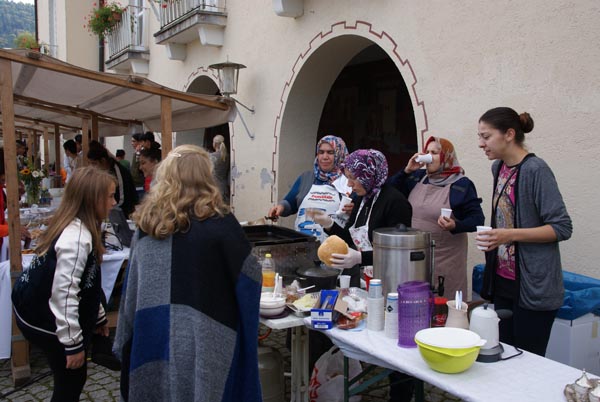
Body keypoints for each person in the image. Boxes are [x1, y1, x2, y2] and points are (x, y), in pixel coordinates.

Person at [114, 145, 262, 402]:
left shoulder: (146, 226)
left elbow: (132, 290)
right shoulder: (221, 223)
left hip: (153, 331)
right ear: (206, 176)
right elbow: (250, 276)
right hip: (206, 334)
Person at [313, 149, 414, 402]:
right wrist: (329, 225)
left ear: (369, 175)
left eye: (353, 178)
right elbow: (351, 238)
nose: (348, 183)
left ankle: (400, 394)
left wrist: (360, 258)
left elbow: (399, 251)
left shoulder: (396, 202)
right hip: (368, 281)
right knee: (372, 335)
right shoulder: (363, 199)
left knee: (394, 344)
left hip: (393, 281)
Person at [11, 167, 116, 402]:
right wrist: (73, 345)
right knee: (71, 381)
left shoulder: (79, 227)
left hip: (38, 311)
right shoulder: (76, 237)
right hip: (41, 317)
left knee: (72, 379)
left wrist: (97, 318)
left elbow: (88, 284)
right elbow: (65, 293)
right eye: (110, 196)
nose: (114, 202)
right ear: (92, 199)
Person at [476, 107, 572, 356]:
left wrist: (508, 235)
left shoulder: (535, 169)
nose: (480, 144)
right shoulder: (498, 168)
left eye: (486, 137)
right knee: (503, 355)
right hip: (503, 282)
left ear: (509, 134)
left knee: (529, 362)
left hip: (534, 287)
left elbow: (561, 227)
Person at [388, 136, 485, 297]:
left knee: (443, 305)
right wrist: (406, 171)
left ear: (446, 157)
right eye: (427, 152)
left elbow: (477, 219)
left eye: (434, 152)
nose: (429, 156)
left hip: (446, 259)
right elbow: (389, 192)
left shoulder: (461, 184)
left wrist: (455, 225)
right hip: (415, 257)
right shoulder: (417, 177)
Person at [267, 135, 352, 242]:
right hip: (303, 247)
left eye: (330, 153)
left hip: (335, 249)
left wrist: (352, 210)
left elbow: (357, 216)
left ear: (340, 154)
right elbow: (290, 202)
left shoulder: (348, 182)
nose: (324, 157)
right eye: (321, 152)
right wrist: (280, 207)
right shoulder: (306, 178)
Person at [87, 141, 138, 217]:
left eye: (94, 163)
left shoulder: (119, 172)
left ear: (103, 161)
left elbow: (121, 199)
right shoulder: (100, 173)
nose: (92, 167)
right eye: (90, 163)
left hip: (123, 213)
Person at [209, 134, 230, 203]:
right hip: (224, 187)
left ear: (214, 144)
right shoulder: (228, 156)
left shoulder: (211, 156)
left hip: (215, 188)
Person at [129, 133, 145, 197]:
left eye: (133, 141)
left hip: (140, 184)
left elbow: (137, 166)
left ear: (139, 142)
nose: (132, 143)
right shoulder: (136, 153)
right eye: (131, 141)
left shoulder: (141, 153)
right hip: (135, 184)